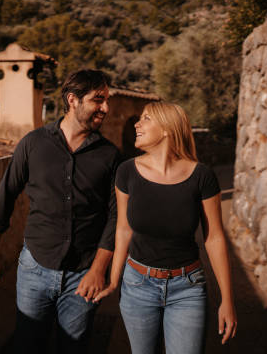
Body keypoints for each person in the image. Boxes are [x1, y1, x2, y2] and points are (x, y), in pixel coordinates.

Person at [0, 69, 120, 354]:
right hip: (34, 269)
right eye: (98, 100)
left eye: (106, 100)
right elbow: (4, 198)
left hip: (84, 276)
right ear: (73, 100)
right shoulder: (33, 144)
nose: (105, 108)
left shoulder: (110, 156)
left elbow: (116, 217)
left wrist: (98, 270)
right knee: (28, 346)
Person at [94, 101, 237, 354]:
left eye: (146, 118)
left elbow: (214, 238)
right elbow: (123, 229)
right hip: (137, 285)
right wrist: (114, 280)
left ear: (168, 129)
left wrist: (227, 299)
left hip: (188, 289)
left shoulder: (202, 176)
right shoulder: (127, 172)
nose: (137, 124)